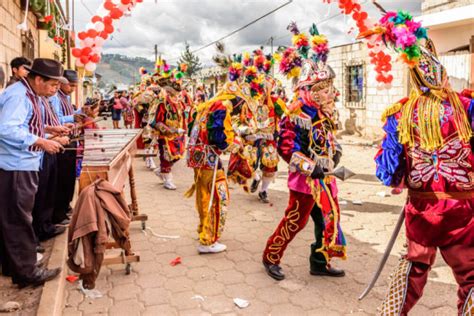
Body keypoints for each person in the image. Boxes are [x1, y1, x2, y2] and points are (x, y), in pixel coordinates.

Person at [360, 10, 474, 315]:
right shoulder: (466, 107)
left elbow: (390, 173)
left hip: (421, 212)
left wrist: (405, 179)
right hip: (462, 212)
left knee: (411, 274)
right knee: (471, 279)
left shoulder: (401, 114)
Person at [262, 23, 346, 281]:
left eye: (328, 87)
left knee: (327, 223)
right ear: (307, 90)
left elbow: (327, 138)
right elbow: (287, 149)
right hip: (305, 181)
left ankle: (319, 262)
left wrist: (336, 150)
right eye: (321, 88)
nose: (328, 92)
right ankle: (271, 257)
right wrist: (311, 167)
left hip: (326, 179)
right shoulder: (296, 112)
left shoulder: (323, 111)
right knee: (295, 221)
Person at [0, 58, 66, 288]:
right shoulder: (19, 95)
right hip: (16, 166)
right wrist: (41, 141)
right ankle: (27, 272)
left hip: (23, 164)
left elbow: (25, 125)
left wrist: (47, 131)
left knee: (13, 219)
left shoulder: (30, 94)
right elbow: (7, 128)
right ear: (38, 79)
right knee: (19, 219)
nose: (54, 90)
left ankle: (13, 265)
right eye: (52, 85)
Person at [186, 79, 242, 254]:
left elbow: (191, 130)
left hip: (199, 157)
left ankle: (204, 229)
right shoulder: (221, 107)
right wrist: (234, 144)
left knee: (204, 194)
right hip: (208, 158)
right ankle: (208, 240)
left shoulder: (207, 105)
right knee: (216, 196)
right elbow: (217, 136)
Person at [228, 49, 287, 203]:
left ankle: (264, 191)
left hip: (269, 137)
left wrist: (279, 133)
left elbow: (286, 119)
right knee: (246, 159)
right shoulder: (244, 102)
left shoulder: (276, 103)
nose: (262, 91)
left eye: (266, 87)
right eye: (259, 88)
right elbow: (235, 119)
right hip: (250, 138)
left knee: (270, 164)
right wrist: (244, 131)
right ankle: (255, 177)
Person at [147, 61, 186, 190]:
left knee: (178, 154)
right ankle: (167, 179)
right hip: (165, 135)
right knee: (166, 156)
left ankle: (161, 171)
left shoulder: (178, 102)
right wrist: (171, 130)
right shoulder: (162, 102)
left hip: (177, 134)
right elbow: (157, 122)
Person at [49, 70, 82, 225]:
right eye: (71, 85)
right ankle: (58, 213)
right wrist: (71, 118)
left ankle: (65, 207)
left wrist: (80, 113)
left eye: (75, 86)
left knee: (69, 178)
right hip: (60, 140)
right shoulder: (55, 98)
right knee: (61, 179)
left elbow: (67, 115)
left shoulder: (66, 97)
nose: (73, 89)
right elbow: (55, 119)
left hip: (69, 138)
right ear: (62, 83)